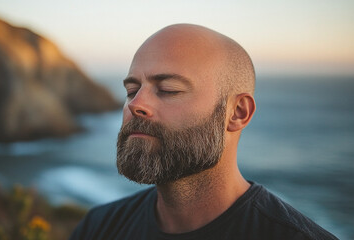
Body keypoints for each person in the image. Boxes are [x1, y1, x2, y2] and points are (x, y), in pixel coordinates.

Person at [69, 24, 337, 240]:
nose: (136, 104)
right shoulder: (99, 228)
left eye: (169, 90)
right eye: (131, 90)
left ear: (237, 113)